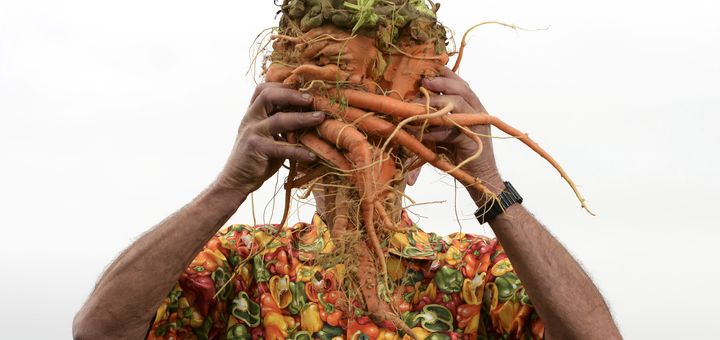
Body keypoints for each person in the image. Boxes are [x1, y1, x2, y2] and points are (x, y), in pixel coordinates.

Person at [73, 69, 621, 339]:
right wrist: (229, 186)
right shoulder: (242, 263)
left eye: (390, 137)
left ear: (419, 154)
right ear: (299, 157)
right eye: (339, 137)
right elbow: (99, 330)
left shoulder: (474, 272)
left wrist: (488, 183)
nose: (361, 158)